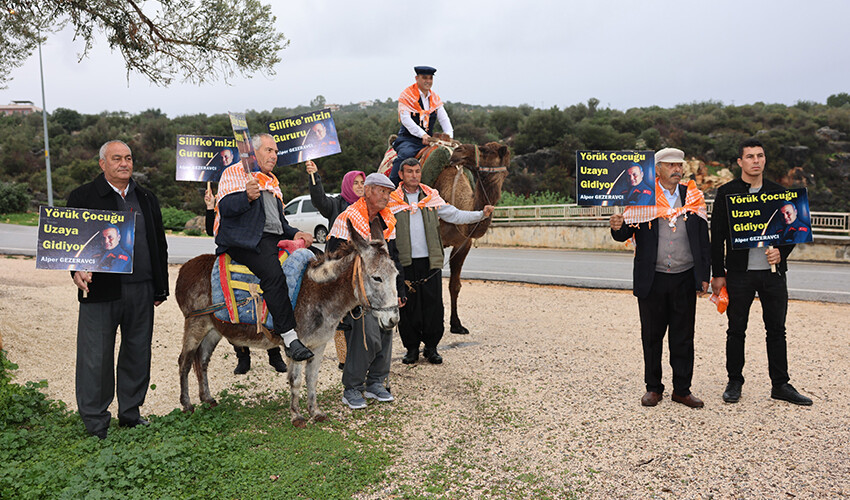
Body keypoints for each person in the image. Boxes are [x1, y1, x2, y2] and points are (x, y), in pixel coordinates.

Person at [66, 140, 169, 439]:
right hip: (100, 290)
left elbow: (158, 243)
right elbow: (70, 242)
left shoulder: (146, 197)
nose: (124, 163)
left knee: (138, 353)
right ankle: (96, 423)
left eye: (128, 158)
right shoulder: (82, 196)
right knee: (95, 358)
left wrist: (160, 287)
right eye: (116, 158)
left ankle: (130, 414)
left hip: (142, 289)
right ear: (102, 164)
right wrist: (76, 269)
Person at [711, 139, 812, 406]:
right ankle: (734, 382)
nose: (756, 161)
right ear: (740, 162)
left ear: (764, 159)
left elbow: (791, 232)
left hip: (773, 274)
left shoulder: (779, 193)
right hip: (739, 273)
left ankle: (780, 384)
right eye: (750, 156)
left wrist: (782, 253)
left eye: (760, 156)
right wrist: (718, 273)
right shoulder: (726, 193)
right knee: (736, 329)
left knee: (777, 330)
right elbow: (716, 237)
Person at [610, 147, 710, 409]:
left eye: (679, 165)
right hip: (652, 278)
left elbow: (703, 238)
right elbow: (624, 234)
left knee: (683, 337)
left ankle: (682, 390)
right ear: (657, 169)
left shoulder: (693, 196)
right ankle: (653, 388)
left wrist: (704, 275)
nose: (677, 169)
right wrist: (617, 226)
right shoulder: (643, 196)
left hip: (684, 276)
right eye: (670, 165)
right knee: (652, 337)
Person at [214, 133, 315, 362]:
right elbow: (226, 208)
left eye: (276, 152)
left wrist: (296, 233)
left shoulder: (271, 182)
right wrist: (246, 197)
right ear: (253, 152)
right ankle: (289, 337)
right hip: (244, 241)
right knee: (273, 274)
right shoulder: (234, 172)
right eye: (269, 150)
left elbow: (280, 224)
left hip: (270, 239)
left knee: (316, 259)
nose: (274, 155)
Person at [388, 158, 494, 364]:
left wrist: (481, 215)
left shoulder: (431, 197)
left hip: (431, 261)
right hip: (405, 261)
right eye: (409, 172)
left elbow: (455, 215)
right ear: (401, 175)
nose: (414, 175)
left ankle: (431, 347)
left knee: (433, 305)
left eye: (417, 171)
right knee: (408, 307)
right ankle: (411, 348)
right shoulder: (392, 201)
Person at [325, 173, 406, 410]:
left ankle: (376, 382)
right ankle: (352, 387)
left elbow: (394, 258)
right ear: (367, 191)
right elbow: (333, 258)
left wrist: (399, 291)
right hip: (355, 293)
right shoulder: (347, 218)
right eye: (381, 191)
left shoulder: (386, 220)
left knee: (387, 329)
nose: (386, 197)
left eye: (388, 193)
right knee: (366, 336)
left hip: (382, 289)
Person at [203, 187, 287, 374]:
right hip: (232, 254)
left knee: (268, 294)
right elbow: (211, 230)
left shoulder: (256, 194)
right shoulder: (228, 202)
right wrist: (210, 207)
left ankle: (274, 352)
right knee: (233, 301)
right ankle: (242, 355)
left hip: (257, 251)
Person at [304, 160, 365, 369]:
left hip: (360, 268)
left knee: (360, 313)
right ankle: (344, 359)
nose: (359, 186)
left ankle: (361, 355)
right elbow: (319, 200)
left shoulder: (367, 206)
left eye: (362, 182)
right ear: (347, 184)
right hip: (339, 269)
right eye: (355, 182)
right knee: (340, 316)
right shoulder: (337, 204)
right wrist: (314, 176)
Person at [389, 66, 454, 185]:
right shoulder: (406, 96)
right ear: (416, 78)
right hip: (409, 140)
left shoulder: (435, 98)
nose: (428, 81)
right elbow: (406, 120)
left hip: (429, 141)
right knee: (406, 155)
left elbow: (444, 119)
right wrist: (422, 134)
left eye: (430, 78)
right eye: (424, 78)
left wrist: (449, 136)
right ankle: (391, 187)